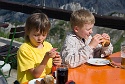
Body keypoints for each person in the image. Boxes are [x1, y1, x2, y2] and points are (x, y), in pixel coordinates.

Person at [17, 13, 62, 84]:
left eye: (44, 35)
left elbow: (51, 70)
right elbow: (36, 75)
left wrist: (57, 63)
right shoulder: (24, 49)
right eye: (36, 35)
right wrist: (46, 58)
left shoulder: (48, 46)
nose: (40, 38)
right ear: (28, 32)